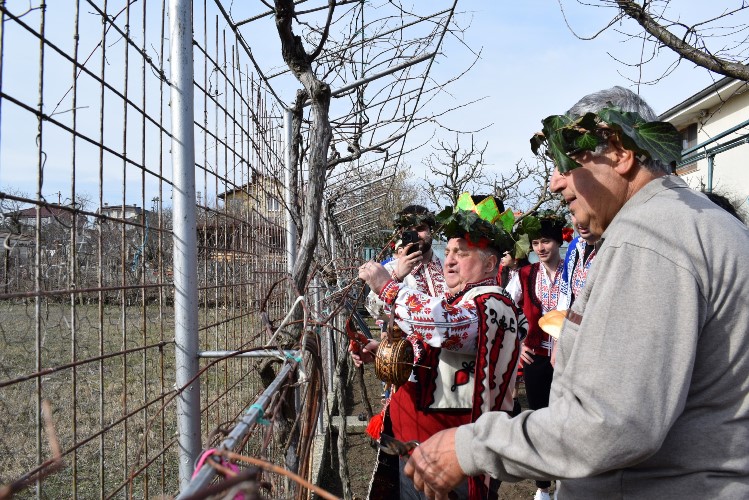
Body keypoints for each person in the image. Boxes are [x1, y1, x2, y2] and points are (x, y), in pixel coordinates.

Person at [404, 86, 749, 499]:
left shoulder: (651, 235)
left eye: (566, 163)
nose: (555, 183)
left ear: (620, 152)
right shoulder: (699, 225)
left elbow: (613, 422)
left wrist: (471, 446)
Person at [355, 193, 528, 499]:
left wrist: (388, 286)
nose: (449, 260)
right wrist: (385, 352)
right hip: (419, 442)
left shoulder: (492, 304)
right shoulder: (465, 299)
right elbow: (436, 350)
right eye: (448, 251)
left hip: (449, 455)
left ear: (490, 263)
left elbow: (441, 326)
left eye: (461, 253)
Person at [504, 211, 566, 500]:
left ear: (558, 242)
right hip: (537, 358)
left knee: (568, 419)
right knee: (540, 419)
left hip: (569, 357)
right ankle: (543, 486)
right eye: (537, 243)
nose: (541, 248)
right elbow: (503, 309)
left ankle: (568, 480)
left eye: (547, 242)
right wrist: (518, 345)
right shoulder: (525, 275)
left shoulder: (573, 271)